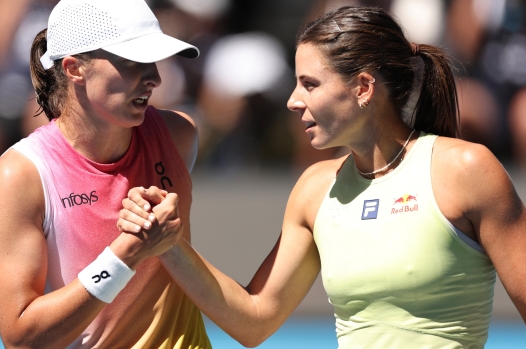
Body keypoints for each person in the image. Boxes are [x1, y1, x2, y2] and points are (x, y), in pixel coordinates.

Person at [118, 6, 526, 348]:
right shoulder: (315, 189)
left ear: (364, 87)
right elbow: (254, 320)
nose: (294, 101)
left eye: (309, 84)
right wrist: (169, 244)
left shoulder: (466, 169)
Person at [0, 0, 212, 348]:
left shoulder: (179, 135)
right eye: (133, 62)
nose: (155, 78)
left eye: (152, 61)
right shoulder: (19, 176)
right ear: (74, 69)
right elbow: (21, 338)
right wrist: (125, 255)